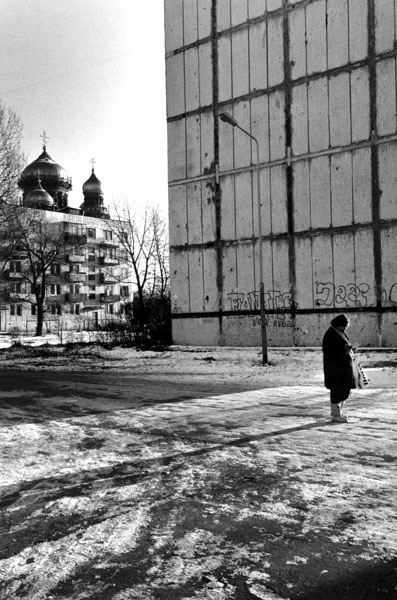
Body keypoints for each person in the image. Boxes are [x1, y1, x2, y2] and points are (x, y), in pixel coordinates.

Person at [322, 314, 356, 423]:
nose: (345, 328)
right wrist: (344, 351)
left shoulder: (339, 332)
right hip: (335, 368)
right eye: (344, 326)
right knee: (337, 390)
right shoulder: (330, 334)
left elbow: (342, 346)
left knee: (345, 389)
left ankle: (339, 412)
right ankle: (335, 414)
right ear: (338, 324)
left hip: (343, 367)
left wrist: (349, 349)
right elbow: (330, 352)